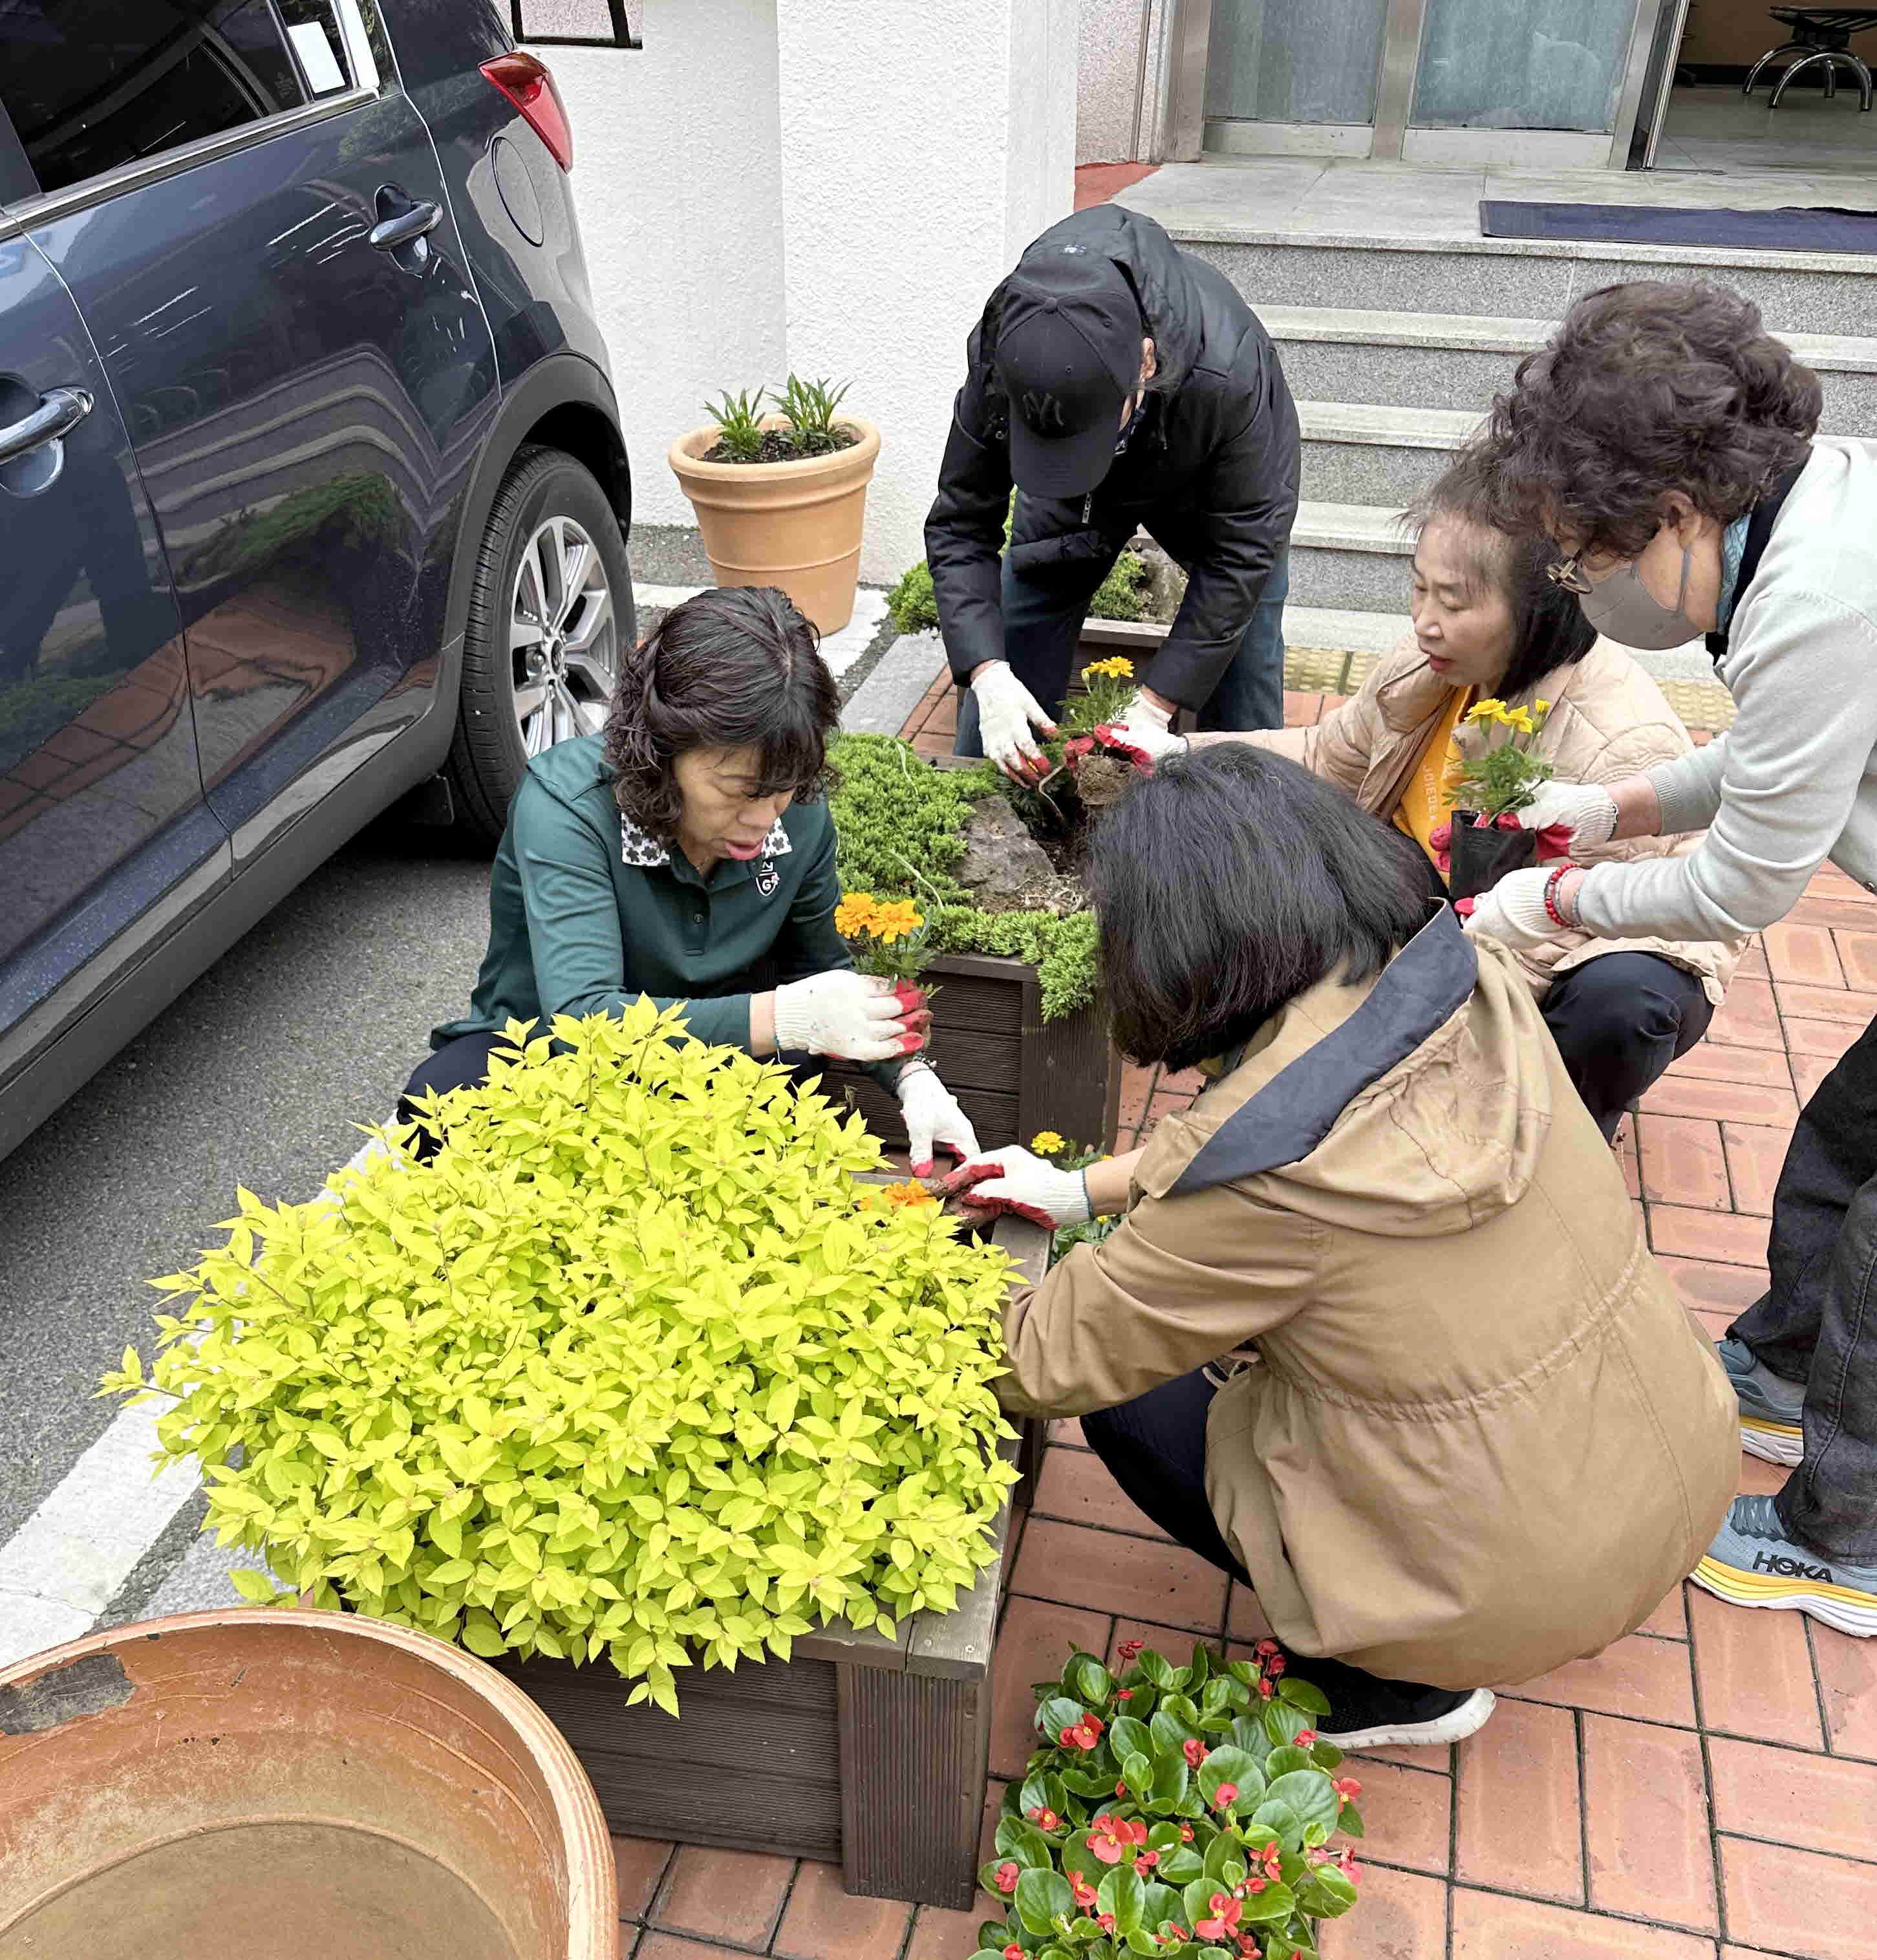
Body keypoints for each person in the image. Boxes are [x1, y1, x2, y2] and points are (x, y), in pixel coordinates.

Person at [947, 747, 1737, 1746]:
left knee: (1124, 1394)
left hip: (1498, 1588)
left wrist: (887, 1269)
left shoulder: (1257, 1187)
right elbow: (1281, 1106)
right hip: (1667, 1462)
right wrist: (1076, 1186)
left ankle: (1400, 1684)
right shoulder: (1461, 981)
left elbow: (1036, 1357)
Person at [1452, 279, 1877, 1637]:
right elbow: (1763, 760)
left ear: (1680, 516)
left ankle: (1844, 1538)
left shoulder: (1816, 592)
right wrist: (1611, 811)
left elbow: (1752, 880)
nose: (1576, 584)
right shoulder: (1799, 533)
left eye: (1583, 555)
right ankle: (1774, 1368)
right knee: (1840, 1140)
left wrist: (1550, 907)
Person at [1155, 492, 1741, 1141]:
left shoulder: (1616, 740)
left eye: (1453, 602)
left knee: (1620, 1005)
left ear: (1536, 609)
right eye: (1418, 590)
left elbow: (1545, 942)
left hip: (1592, 938)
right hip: (1454, 897)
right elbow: (1326, 756)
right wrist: (1178, 755)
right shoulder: (1427, 664)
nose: (1425, 622)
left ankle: (1560, 1133)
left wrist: (1391, 1060)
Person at [403, 587, 978, 1173]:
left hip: (718, 1061)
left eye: (782, 788)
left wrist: (910, 1076)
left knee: (786, 1097)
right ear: (660, 751)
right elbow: (583, 1020)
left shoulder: (797, 810)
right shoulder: (568, 807)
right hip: (553, 1064)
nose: (763, 817)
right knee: (446, 1101)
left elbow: (819, 970)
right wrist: (785, 1017)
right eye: (736, 791)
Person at [925, 204, 1299, 783]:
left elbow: (1242, 554)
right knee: (1011, 657)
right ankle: (989, 802)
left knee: (1243, 654)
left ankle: (1249, 812)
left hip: (1200, 475)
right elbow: (960, 523)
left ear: (1145, 362)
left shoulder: (1229, 374)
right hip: (1071, 506)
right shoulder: (1005, 359)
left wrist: (1155, 703)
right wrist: (985, 669)